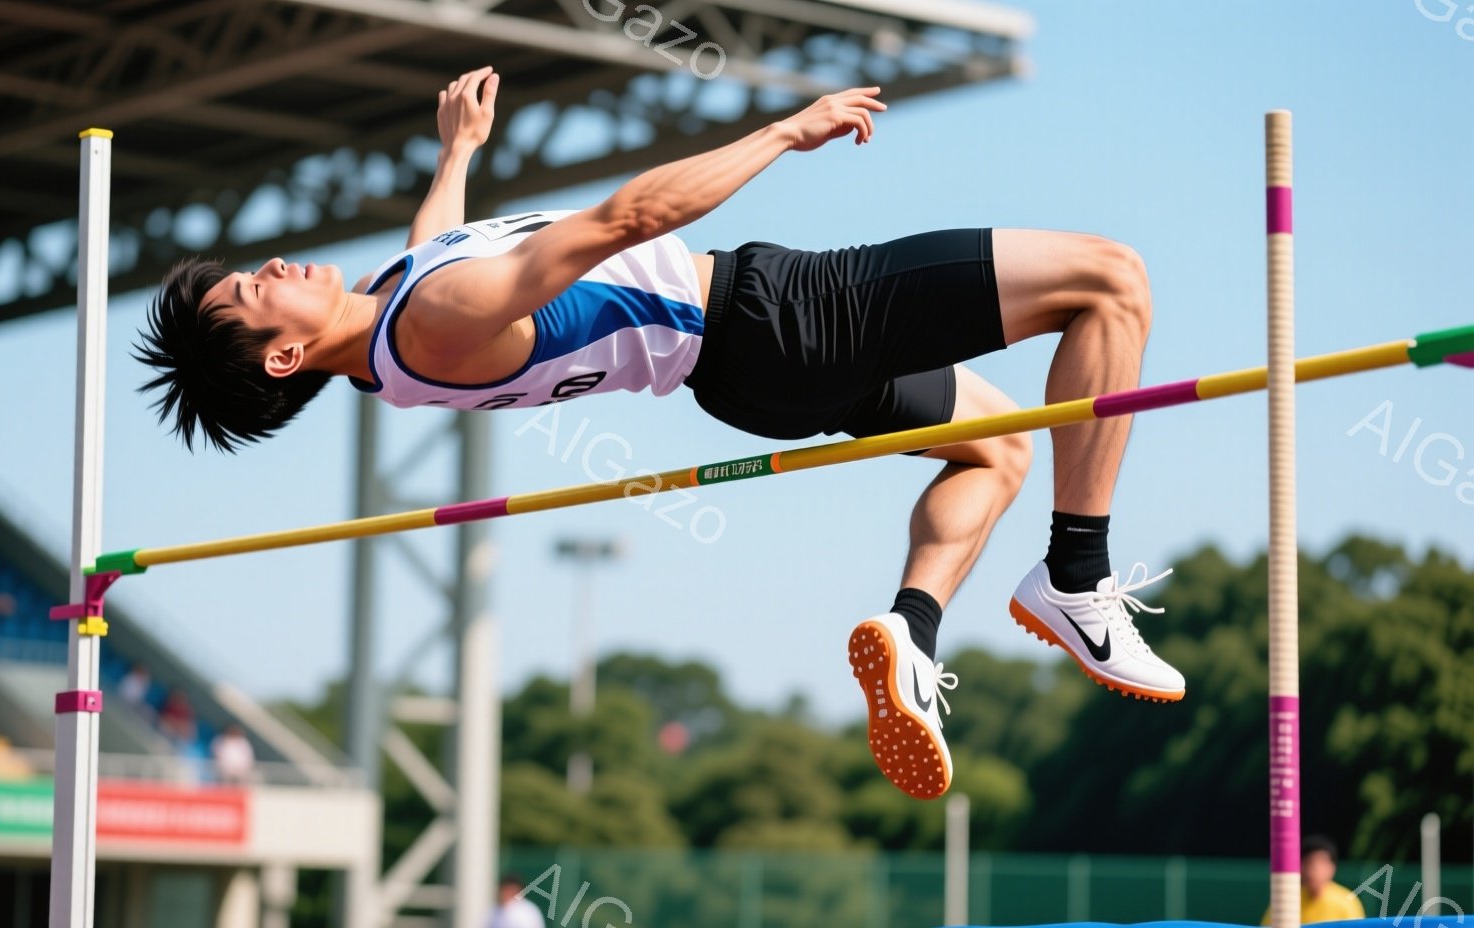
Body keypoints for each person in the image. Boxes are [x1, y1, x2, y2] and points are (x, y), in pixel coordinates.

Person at [134, 67, 1182, 800]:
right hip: (775, 311)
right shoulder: (431, 319)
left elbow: (432, 256)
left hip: (745, 370)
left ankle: (911, 631)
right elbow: (626, 219)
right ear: (278, 358)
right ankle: (1078, 577)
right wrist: (784, 132)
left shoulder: (390, 340)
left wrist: (455, 154)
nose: (273, 266)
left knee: (997, 445)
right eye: (251, 290)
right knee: (1111, 278)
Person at [1261, 835, 1366, 925]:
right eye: (1309, 863)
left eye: (1321, 862)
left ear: (1332, 867)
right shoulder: (1284, 902)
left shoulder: (1347, 903)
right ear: (1300, 866)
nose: (1315, 869)